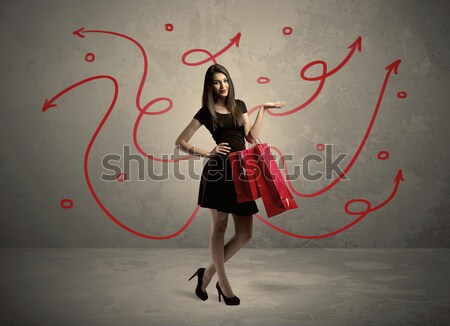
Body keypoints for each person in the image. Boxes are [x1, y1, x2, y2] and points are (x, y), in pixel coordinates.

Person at [175, 64, 285, 305]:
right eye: (216, 82)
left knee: (245, 233)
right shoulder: (206, 111)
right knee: (220, 228)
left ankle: (207, 273)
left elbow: (250, 137)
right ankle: (224, 285)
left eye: (225, 80)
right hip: (218, 172)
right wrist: (208, 153)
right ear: (210, 86)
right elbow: (181, 141)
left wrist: (263, 110)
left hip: (242, 171)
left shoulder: (239, 105)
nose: (222, 85)